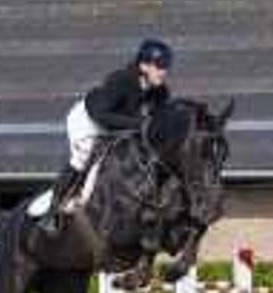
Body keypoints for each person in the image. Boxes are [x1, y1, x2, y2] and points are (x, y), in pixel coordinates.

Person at [39, 38, 174, 235]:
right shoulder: (120, 80)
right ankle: (51, 213)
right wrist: (140, 124)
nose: (164, 72)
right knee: (82, 158)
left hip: (120, 126)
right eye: (160, 66)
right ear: (144, 66)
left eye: (166, 67)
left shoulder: (160, 91)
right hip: (89, 122)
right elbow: (102, 116)